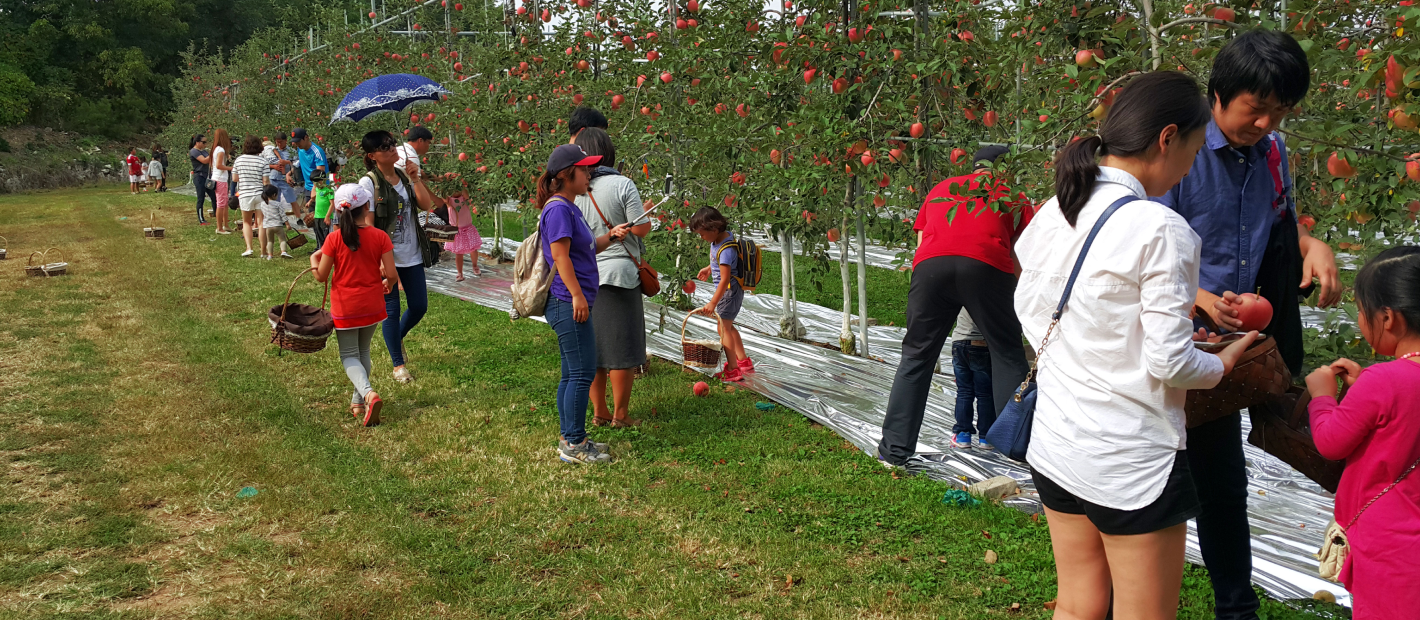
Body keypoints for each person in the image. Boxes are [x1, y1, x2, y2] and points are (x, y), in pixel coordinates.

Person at [1015, 71, 1260, 620]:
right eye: (1193, 151)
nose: (1191, 167)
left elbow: (1031, 309)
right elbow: (1170, 361)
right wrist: (1221, 363)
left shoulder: (1056, 209)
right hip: (1129, 460)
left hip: (1057, 443)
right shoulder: (1160, 228)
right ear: (1167, 138)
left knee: (1076, 606)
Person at [1151, 31, 1339, 620]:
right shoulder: (1177, 151)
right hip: (1173, 336)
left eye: (1278, 111)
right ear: (1217, 95)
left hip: (1231, 346)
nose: (1265, 123)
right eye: (1255, 108)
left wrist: (1311, 245)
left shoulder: (1273, 154)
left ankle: (1235, 607)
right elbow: (1140, 246)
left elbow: (1281, 224)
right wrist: (1202, 297)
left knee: (1222, 480)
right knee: (1158, 480)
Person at [876, 146, 1033, 465]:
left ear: (973, 168)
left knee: (916, 356)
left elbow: (922, 242)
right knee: (1006, 353)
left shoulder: (941, 189)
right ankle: (1016, 453)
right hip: (986, 266)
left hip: (930, 268)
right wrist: (1017, 293)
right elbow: (1020, 252)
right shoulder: (1011, 195)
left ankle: (893, 451)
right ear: (1004, 169)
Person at [1305, 247, 1420, 619]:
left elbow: (1330, 441)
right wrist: (1363, 393)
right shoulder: (1385, 383)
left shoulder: (1383, 381)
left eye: (1360, 310)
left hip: (1389, 549)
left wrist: (1323, 397)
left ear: (1388, 317)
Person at [538, 143, 632, 464]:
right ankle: (576, 445)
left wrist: (611, 236)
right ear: (567, 174)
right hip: (567, 302)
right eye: (584, 169)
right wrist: (577, 295)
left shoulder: (571, 206)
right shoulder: (558, 210)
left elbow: (585, 249)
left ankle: (569, 437)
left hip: (571, 300)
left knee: (572, 373)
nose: (589, 173)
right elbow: (561, 256)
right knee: (582, 373)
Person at [573, 128, 651, 426]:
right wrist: (643, 216)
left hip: (585, 276)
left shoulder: (572, 190)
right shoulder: (622, 184)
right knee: (622, 348)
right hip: (620, 275)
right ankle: (620, 414)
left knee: (594, 348)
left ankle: (599, 412)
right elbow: (640, 229)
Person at [310, 184, 398, 428]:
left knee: (349, 355)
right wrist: (388, 283)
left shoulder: (334, 239)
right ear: (367, 207)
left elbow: (321, 276)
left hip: (346, 306)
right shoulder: (380, 236)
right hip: (373, 304)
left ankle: (368, 394)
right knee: (363, 351)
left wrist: (313, 259)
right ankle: (358, 402)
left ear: (338, 211)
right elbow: (391, 274)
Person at [357, 130, 436, 384]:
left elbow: (426, 205)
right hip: (386, 255)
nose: (392, 148)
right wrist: (380, 259)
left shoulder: (404, 175)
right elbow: (368, 225)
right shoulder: (369, 183)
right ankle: (398, 365)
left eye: (392, 144)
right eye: (384, 147)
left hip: (411, 253)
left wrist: (416, 179)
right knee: (391, 309)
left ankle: (397, 337)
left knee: (419, 306)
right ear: (372, 155)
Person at [690, 207, 753, 382]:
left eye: (702, 234)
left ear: (714, 229)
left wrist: (712, 303)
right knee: (728, 327)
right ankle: (743, 361)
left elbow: (725, 280)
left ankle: (733, 369)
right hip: (731, 291)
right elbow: (722, 263)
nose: (701, 237)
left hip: (729, 291)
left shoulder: (725, 249)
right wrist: (709, 268)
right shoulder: (722, 240)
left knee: (723, 328)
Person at [949, 309, 994, 450]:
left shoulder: (964, 294)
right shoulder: (995, 296)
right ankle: (986, 437)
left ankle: (963, 435)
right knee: (985, 393)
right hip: (982, 343)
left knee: (964, 391)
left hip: (959, 342)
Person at [233, 136, 270, 257]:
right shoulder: (263, 161)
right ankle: (263, 251)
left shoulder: (239, 160)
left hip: (245, 194)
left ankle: (249, 248)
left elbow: (234, 178)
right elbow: (266, 181)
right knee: (262, 223)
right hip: (260, 194)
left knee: (246, 222)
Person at [445, 193, 482, 281]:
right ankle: (460, 272)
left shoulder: (464, 198)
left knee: (473, 249)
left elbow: (467, 195)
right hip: (456, 230)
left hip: (468, 228)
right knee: (458, 253)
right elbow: (443, 197)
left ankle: (475, 265)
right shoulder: (449, 200)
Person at [293, 128, 328, 220]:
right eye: (295, 142)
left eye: (298, 141)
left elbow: (320, 174)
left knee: (322, 219)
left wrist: (314, 190)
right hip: (308, 188)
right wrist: (289, 173)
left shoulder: (317, 152)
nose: (297, 144)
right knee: (312, 219)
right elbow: (301, 163)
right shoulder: (300, 149)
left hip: (320, 189)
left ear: (306, 137)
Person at [257, 184, 293, 260]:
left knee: (270, 241)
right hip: (278, 225)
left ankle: (270, 255)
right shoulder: (278, 204)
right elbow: (283, 215)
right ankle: (283, 252)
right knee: (282, 239)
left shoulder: (262, 204)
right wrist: (287, 224)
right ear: (274, 195)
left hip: (268, 226)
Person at [262, 135, 298, 205]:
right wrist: (273, 166)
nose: (279, 144)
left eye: (281, 142)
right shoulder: (271, 150)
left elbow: (297, 163)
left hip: (286, 179)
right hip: (274, 178)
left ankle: (296, 212)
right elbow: (264, 164)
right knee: (274, 202)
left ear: (286, 141)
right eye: (277, 142)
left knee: (292, 201)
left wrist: (287, 162)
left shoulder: (292, 151)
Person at [189, 135, 216, 225]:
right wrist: (213, 153)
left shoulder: (204, 151)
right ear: (197, 142)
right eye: (204, 142)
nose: (205, 144)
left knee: (214, 196)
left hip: (207, 177)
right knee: (201, 198)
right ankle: (201, 219)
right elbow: (204, 160)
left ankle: (217, 214)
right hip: (199, 177)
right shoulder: (194, 151)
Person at [211, 129, 234, 234]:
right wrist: (231, 168)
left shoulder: (216, 149)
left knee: (224, 203)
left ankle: (225, 225)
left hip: (218, 178)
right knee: (221, 204)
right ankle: (219, 228)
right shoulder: (221, 150)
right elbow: (219, 166)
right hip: (220, 179)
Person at [312, 176, 336, 249]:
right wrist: (309, 202)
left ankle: (328, 251)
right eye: (314, 182)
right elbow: (312, 197)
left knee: (326, 237)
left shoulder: (328, 190)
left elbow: (332, 204)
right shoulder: (317, 189)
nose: (315, 184)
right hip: (317, 216)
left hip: (325, 217)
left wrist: (327, 216)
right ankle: (322, 251)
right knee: (320, 237)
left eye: (317, 182)